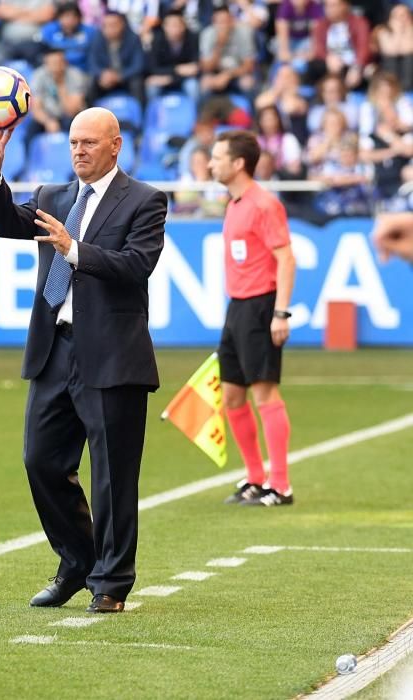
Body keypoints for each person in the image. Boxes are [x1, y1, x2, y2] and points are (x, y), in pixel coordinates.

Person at [0, 107, 166, 613]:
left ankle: (112, 582)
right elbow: (5, 224)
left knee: (112, 475)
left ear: (115, 145)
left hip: (112, 356)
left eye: (90, 143)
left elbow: (137, 266)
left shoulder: (145, 200)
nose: (79, 151)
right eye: (74, 143)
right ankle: (77, 562)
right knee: (41, 461)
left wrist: (75, 250)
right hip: (55, 349)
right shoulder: (55, 197)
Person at [208, 130, 297, 507]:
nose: (211, 163)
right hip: (237, 307)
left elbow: (286, 258)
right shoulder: (234, 203)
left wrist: (280, 312)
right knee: (231, 395)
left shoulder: (264, 204)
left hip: (261, 306)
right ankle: (256, 479)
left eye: (217, 157)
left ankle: (280, 485)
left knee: (265, 394)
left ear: (238, 163)